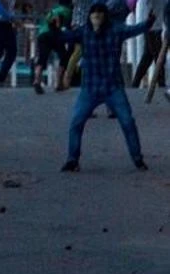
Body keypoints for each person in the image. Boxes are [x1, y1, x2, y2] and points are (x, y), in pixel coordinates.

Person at [59, 3, 156, 172]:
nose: (96, 18)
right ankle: (72, 159)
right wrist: (56, 30)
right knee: (77, 122)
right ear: (90, 17)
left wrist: (148, 23)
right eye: (94, 14)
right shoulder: (85, 32)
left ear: (105, 17)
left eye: (99, 15)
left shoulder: (114, 31)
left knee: (127, 121)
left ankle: (137, 158)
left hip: (110, 87)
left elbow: (133, 29)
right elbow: (66, 36)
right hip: (93, 88)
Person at [32, 0, 73, 94]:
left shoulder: (55, 7)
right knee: (64, 56)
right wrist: (58, 25)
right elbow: (57, 17)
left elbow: (49, 16)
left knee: (42, 58)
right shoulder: (67, 10)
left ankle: (36, 80)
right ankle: (58, 83)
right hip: (53, 34)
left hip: (42, 34)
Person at [131, 0, 167, 88]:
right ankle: (161, 85)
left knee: (148, 57)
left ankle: (135, 83)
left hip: (155, 26)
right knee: (157, 56)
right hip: (152, 27)